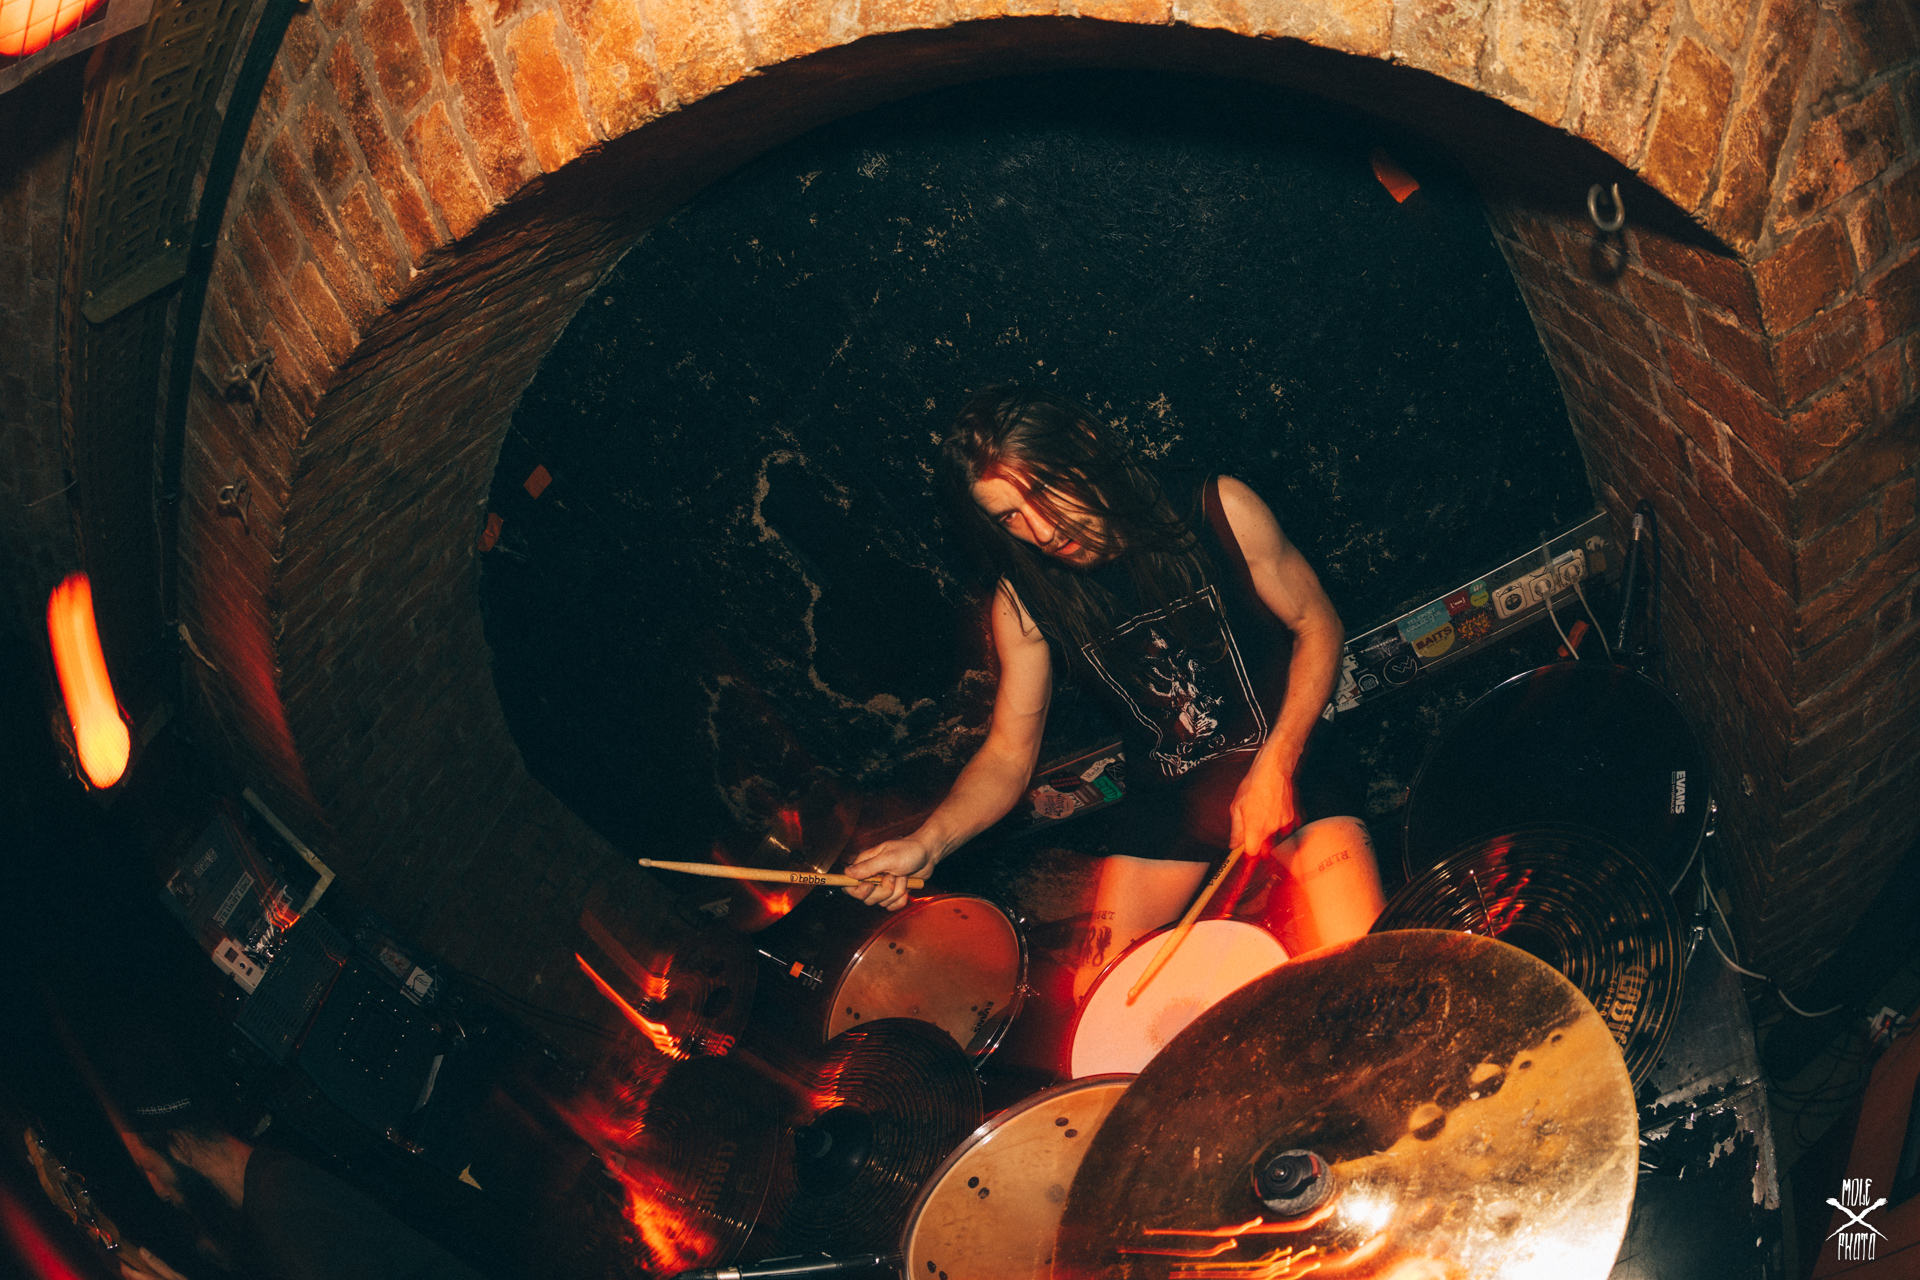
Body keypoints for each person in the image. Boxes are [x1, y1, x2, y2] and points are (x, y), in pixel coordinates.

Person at [845, 386, 1385, 997]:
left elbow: (1317, 624)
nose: (1041, 530)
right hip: (1172, 797)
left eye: (1044, 491)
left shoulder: (1216, 508)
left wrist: (1277, 762)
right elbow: (1007, 756)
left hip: (1292, 756)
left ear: (1084, 449)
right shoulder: (1023, 604)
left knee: (1358, 970)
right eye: (1010, 517)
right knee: (1100, 1001)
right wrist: (928, 842)